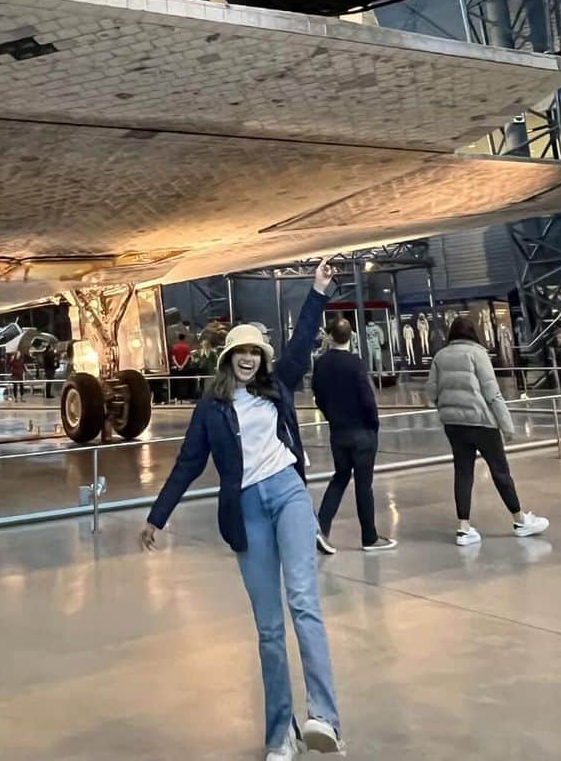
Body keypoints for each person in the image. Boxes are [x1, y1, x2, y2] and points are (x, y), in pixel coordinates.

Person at [141, 259, 343, 759]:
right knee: (269, 629)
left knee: (303, 603)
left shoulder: (277, 386)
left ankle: (325, 719)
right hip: (246, 509)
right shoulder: (210, 409)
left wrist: (317, 291)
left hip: (287, 493)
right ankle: (281, 733)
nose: (249, 359)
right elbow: (189, 463)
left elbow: (299, 345)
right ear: (228, 358)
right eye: (242, 352)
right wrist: (157, 516)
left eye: (256, 352)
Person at [426, 317, 549, 545]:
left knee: (463, 473)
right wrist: (507, 426)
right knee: (500, 471)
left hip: (454, 426)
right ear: (473, 332)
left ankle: (464, 528)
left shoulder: (440, 357)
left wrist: (446, 406)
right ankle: (520, 520)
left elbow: (431, 392)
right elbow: (492, 393)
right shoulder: (478, 354)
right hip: (482, 423)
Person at [312, 317, 396, 555]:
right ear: (351, 337)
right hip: (362, 432)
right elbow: (367, 398)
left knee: (339, 477)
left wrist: (332, 416)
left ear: (329, 336)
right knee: (363, 484)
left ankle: (321, 527)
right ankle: (369, 537)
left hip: (338, 432)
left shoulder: (321, 364)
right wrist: (373, 424)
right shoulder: (356, 363)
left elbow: (318, 396)